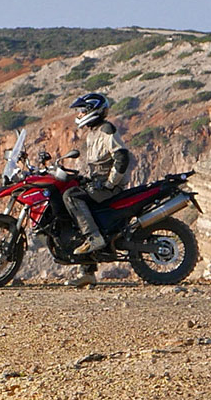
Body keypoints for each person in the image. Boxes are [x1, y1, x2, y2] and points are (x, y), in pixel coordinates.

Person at [62, 93, 133, 288]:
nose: (80, 114)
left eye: (83, 110)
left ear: (94, 110)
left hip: (109, 187)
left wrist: (111, 184)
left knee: (71, 197)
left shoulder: (106, 129)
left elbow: (122, 157)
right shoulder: (92, 132)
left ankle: (94, 238)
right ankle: (88, 273)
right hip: (98, 183)